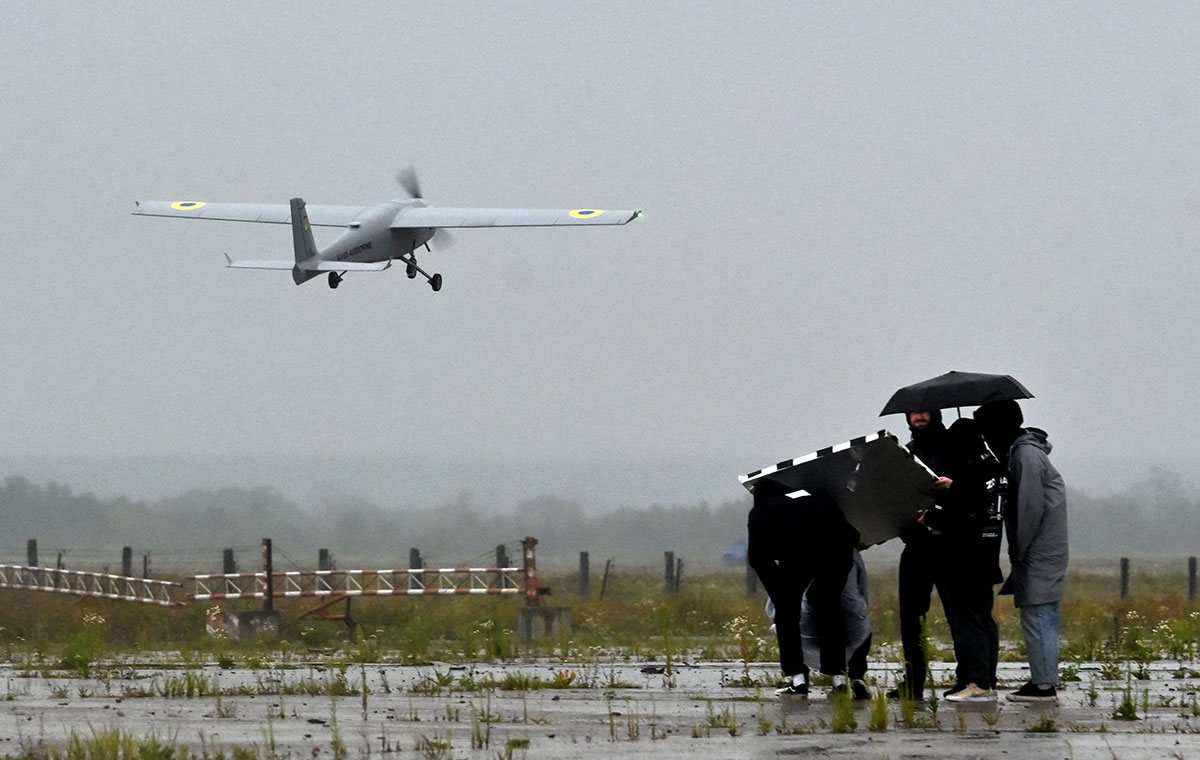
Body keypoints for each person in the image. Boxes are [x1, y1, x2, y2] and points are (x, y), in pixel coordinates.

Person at [974, 399, 1067, 703]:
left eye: (987, 429)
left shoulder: (1025, 456)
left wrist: (1018, 550)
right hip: (1044, 548)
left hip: (1038, 550)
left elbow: (1028, 509)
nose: (985, 437)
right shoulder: (1024, 452)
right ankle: (1044, 680)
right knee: (1042, 616)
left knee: (1038, 617)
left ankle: (1043, 686)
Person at [747, 479, 860, 697]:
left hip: (797, 554)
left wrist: (779, 594)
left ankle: (797, 679)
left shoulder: (762, 508)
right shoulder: (817, 496)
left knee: (787, 615)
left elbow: (757, 557)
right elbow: (851, 535)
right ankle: (838, 678)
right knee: (829, 607)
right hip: (838, 551)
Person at [919, 418, 1004, 702]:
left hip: (962, 558)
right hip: (987, 556)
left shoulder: (971, 470)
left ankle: (976, 681)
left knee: (966, 621)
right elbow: (979, 498)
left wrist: (929, 516)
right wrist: (954, 485)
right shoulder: (994, 467)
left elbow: (963, 512)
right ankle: (982, 679)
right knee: (983, 619)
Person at [887, 409, 955, 701]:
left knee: (959, 614)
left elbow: (967, 489)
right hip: (916, 543)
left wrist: (951, 489)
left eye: (924, 412)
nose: (919, 417)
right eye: (913, 413)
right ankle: (913, 682)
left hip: (950, 542)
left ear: (935, 414)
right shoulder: (907, 451)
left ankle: (970, 679)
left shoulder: (953, 445)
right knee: (911, 618)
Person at [766, 547, 874, 700]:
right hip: (843, 553)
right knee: (853, 611)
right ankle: (852, 676)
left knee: (791, 610)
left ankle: (799, 677)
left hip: (802, 552)